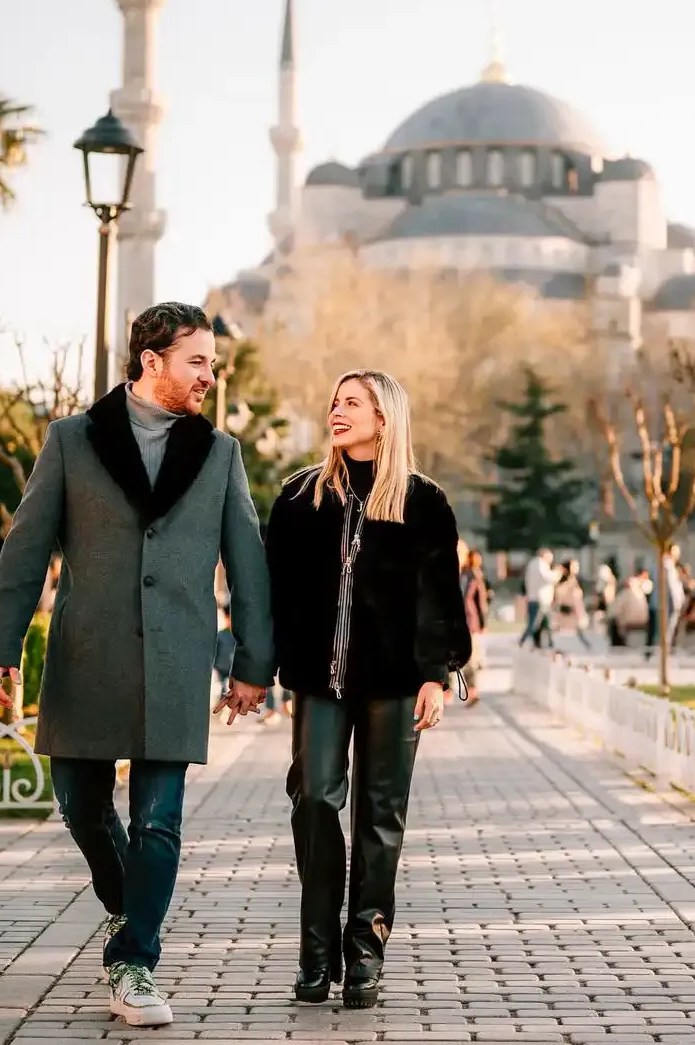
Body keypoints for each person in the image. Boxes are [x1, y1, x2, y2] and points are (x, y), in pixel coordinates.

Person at [0, 303, 274, 1029]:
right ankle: (126, 904)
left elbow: (249, 567)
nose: (211, 373)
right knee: (79, 803)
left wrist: (253, 664)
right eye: (197, 360)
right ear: (152, 361)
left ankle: (135, 962)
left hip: (176, 661)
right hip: (86, 659)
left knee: (159, 825)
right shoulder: (72, 441)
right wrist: (0, 651)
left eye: (211, 361)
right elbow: (24, 551)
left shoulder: (221, 453)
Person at [265, 369, 470, 1010]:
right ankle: (316, 954)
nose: (338, 410)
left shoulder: (424, 502)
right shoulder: (300, 498)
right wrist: (260, 667)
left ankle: (364, 957)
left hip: (394, 684)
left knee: (381, 819)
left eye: (353, 403)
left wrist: (438, 674)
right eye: (334, 401)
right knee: (316, 802)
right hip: (319, 684)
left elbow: (440, 598)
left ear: (385, 419)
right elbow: (274, 594)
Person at [460, 547, 489, 706]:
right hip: (470, 622)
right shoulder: (474, 575)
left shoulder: (462, 574)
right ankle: (471, 692)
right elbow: (480, 602)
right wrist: (483, 623)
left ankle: (471, 692)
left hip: (465, 621)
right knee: (470, 658)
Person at [520, 547, 559, 650]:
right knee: (534, 624)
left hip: (540, 599)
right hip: (538, 599)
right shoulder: (539, 563)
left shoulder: (535, 564)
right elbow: (547, 577)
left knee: (545, 623)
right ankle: (523, 642)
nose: (551, 560)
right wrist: (557, 573)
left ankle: (545, 643)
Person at [556, 557, 591, 649]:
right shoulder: (564, 581)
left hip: (576, 608)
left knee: (578, 628)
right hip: (568, 608)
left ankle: (586, 644)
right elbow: (560, 594)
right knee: (561, 629)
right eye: (574, 566)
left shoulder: (576, 580)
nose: (577, 567)